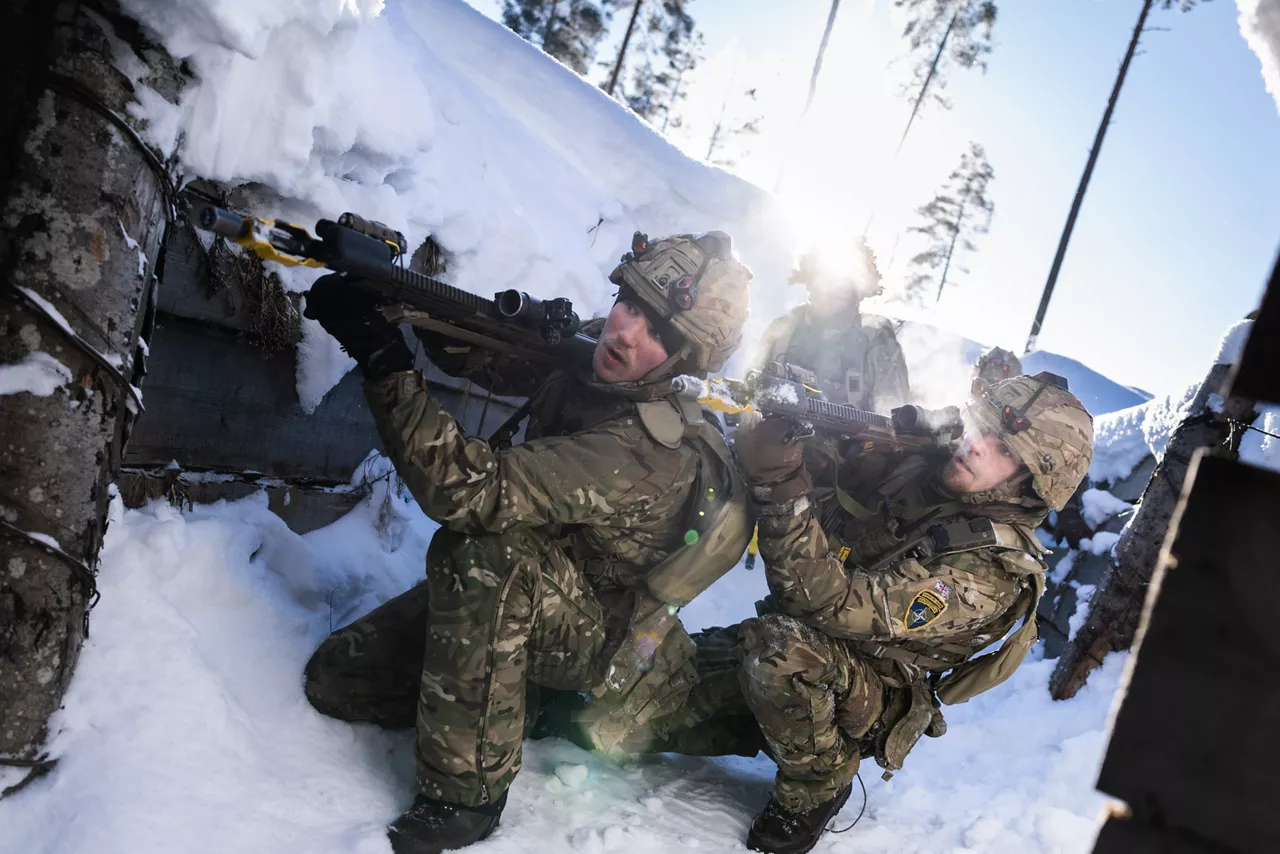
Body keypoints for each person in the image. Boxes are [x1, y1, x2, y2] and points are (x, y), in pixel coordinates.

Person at [301, 231, 753, 854]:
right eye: (632, 306)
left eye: (660, 335)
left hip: (599, 635)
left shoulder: (645, 451)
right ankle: (523, 698)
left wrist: (384, 359)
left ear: (685, 361)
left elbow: (465, 491)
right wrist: (409, 299)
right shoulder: (610, 355)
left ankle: (467, 797)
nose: (626, 333)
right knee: (338, 680)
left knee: (483, 550)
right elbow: (489, 359)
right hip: (538, 593)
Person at [724, 371, 1093, 854]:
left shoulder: (989, 570)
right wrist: (801, 425)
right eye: (982, 426)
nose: (977, 445)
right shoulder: (923, 466)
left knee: (778, 650)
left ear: (1031, 486)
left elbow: (824, 601)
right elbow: (829, 481)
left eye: (1004, 451)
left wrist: (776, 478)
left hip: (870, 688)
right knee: (636, 710)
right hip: (807, 646)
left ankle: (821, 783)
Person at [753, 241, 910, 413]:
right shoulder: (782, 331)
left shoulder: (876, 338)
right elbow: (750, 400)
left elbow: (892, 417)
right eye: (823, 278)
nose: (831, 288)